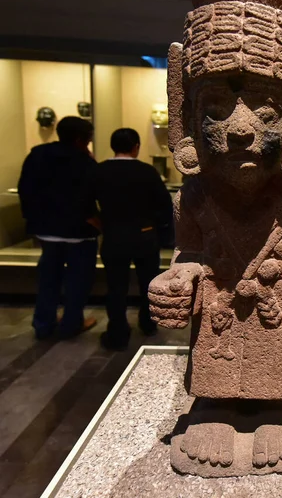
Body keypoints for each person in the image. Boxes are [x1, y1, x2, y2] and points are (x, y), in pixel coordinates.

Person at [18, 116, 99, 340]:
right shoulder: (84, 162)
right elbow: (89, 197)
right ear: (80, 139)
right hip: (78, 232)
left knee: (48, 279)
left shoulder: (38, 154)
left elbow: (25, 189)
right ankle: (71, 323)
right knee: (77, 281)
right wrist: (95, 220)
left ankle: (43, 324)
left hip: (46, 229)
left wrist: (33, 220)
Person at [91, 128, 173, 350]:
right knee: (148, 283)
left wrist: (102, 224)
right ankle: (148, 324)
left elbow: (86, 204)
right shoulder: (146, 171)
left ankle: (117, 332)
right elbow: (165, 205)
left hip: (114, 236)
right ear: (136, 146)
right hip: (145, 235)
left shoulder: (99, 171)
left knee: (115, 286)